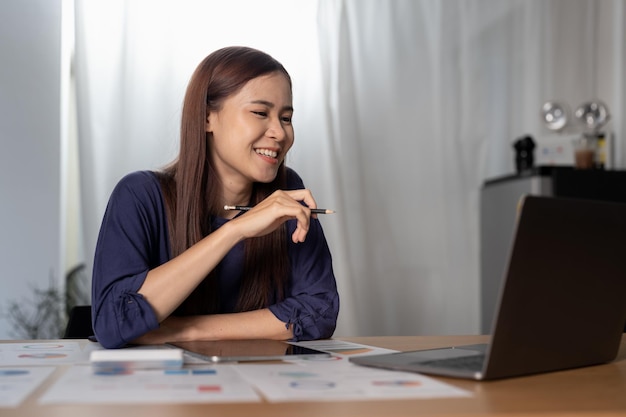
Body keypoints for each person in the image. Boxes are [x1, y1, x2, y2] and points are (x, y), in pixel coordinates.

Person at [91, 46, 339, 349]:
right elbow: (112, 322)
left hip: (263, 385)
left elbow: (319, 311)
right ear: (208, 117)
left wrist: (183, 331)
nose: (279, 132)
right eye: (260, 113)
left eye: (286, 117)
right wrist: (234, 231)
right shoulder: (140, 196)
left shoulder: (287, 194)